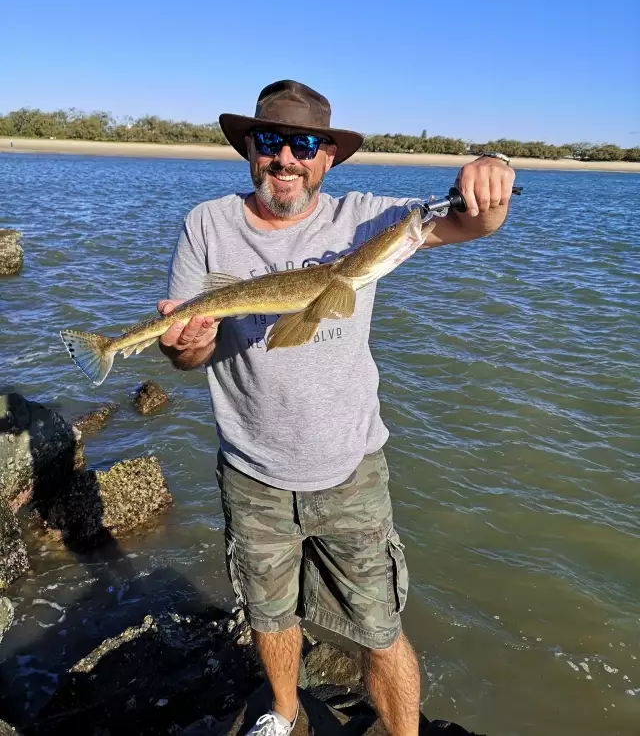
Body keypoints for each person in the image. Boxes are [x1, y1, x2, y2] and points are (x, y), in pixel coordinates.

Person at [158, 80, 515, 736]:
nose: (286, 159)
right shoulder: (205, 225)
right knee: (269, 616)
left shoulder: (369, 218)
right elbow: (184, 357)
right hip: (251, 472)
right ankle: (284, 713)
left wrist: (491, 176)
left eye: (303, 144)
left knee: (379, 627)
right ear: (249, 149)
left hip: (351, 470)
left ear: (327, 157)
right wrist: (188, 344)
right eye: (271, 141)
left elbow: (471, 220)